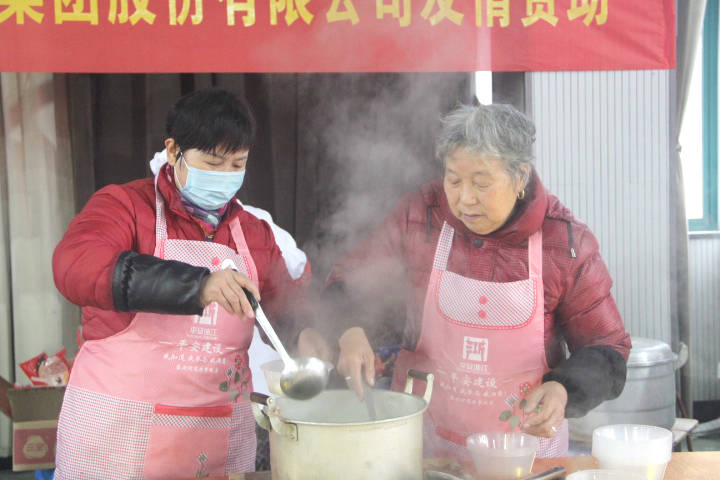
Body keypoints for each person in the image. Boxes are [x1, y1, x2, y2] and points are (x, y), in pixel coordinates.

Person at [51, 88, 329, 479]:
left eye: (238, 164)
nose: (226, 176)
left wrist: (304, 333)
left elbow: (284, 306)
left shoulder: (254, 233)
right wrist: (197, 285)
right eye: (212, 163)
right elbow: (76, 266)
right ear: (173, 150)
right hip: (116, 440)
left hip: (215, 439)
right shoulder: (125, 206)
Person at [328, 104, 632, 460]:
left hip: (524, 452)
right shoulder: (421, 215)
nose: (464, 199)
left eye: (482, 183)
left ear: (520, 177)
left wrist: (563, 391)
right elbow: (353, 277)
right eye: (453, 180)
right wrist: (348, 330)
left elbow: (607, 347)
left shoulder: (565, 242)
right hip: (423, 445)